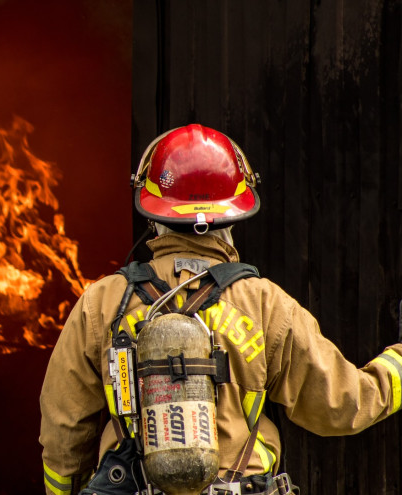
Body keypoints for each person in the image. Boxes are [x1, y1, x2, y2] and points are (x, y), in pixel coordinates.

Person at [39, 124, 402, 495]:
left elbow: (62, 431)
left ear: (153, 214)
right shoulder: (265, 304)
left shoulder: (102, 303)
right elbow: (343, 404)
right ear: (234, 213)